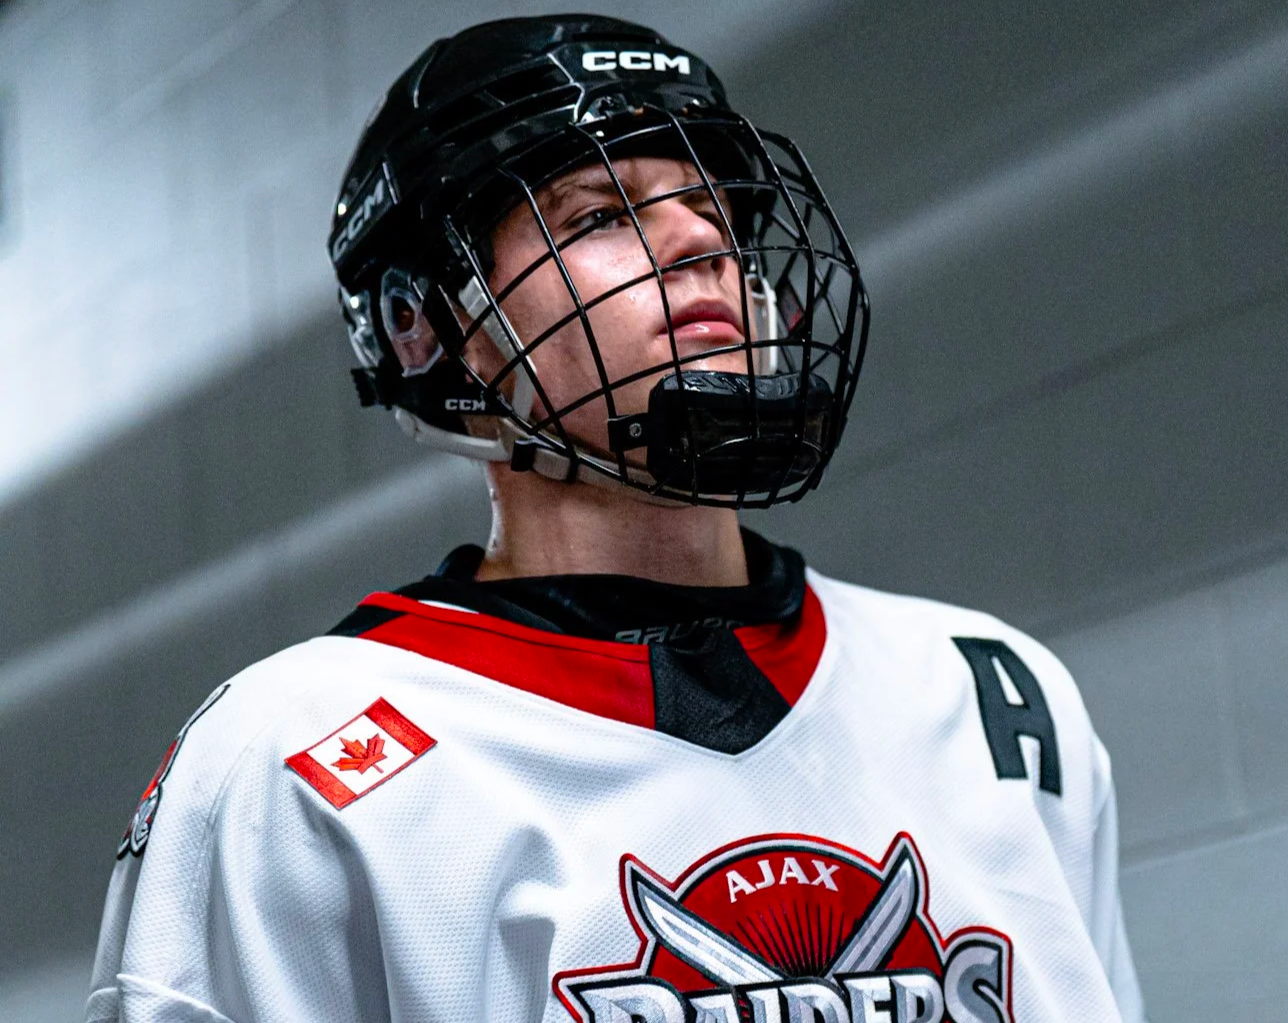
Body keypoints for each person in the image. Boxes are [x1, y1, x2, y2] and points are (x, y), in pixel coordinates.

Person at [87, 15, 1146, 1023]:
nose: (699, 239)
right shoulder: (292, 757)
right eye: (601, 215)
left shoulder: (992, 693)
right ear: (427, 327)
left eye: (716, 208)